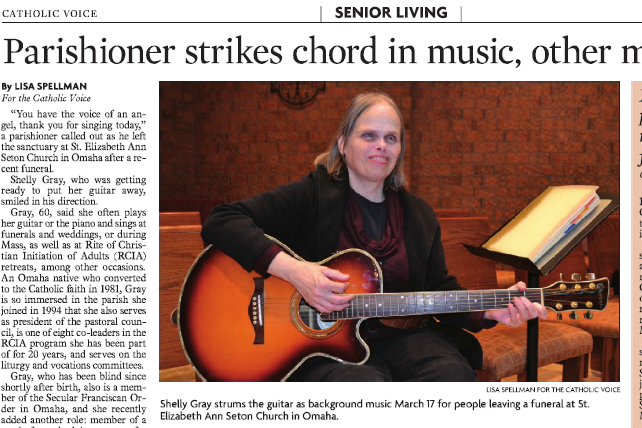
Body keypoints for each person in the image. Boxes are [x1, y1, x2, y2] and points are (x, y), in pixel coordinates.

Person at [202, 92, 548, 381]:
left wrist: (491, 311)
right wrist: (297, 272)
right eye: (368, 135)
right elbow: (222, 221)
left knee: (451, 376)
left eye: (391, 138)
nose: (381, 145)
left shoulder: (418, 214)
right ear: (342, 143)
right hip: (314, 341)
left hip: (399, 336)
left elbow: (438, 288)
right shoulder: (312, 196)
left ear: (399, 150)